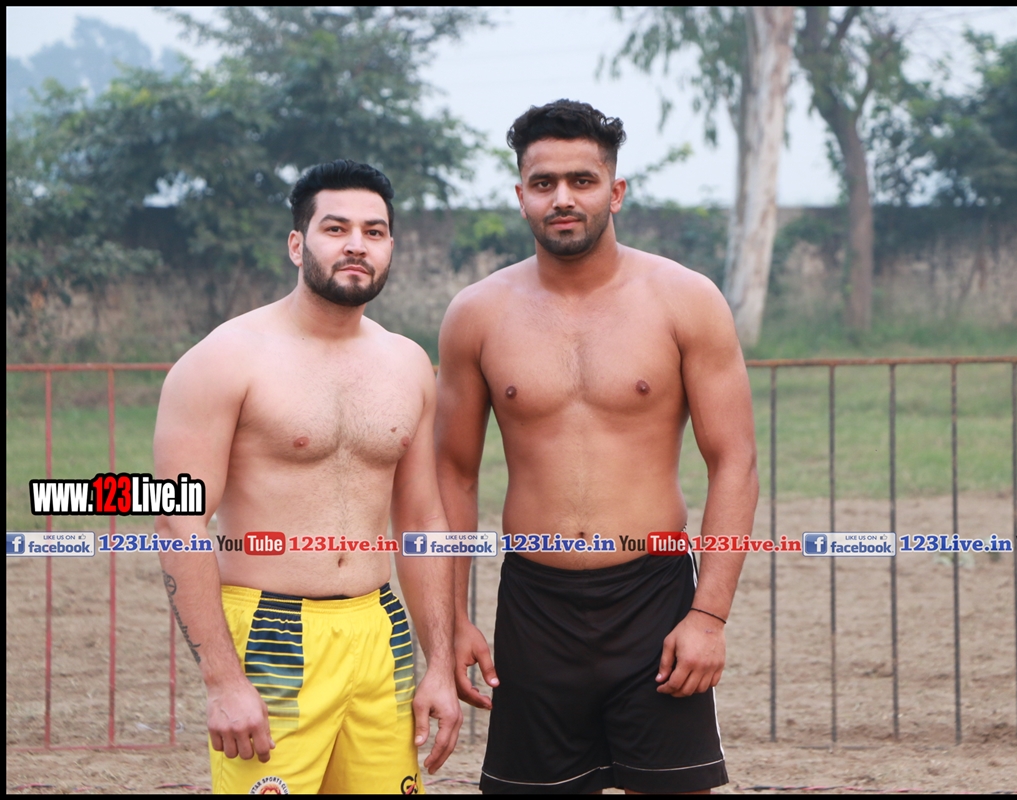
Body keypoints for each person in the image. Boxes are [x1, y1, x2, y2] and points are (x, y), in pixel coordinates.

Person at [435, 100, 758, 794]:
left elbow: (734, 461)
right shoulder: (477, 313)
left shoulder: (686, 299)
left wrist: (708, 617)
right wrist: (452, 620)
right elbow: (453, 474)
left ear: (615, 192)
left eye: (582, 180)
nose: (562, 198)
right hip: (534, 604)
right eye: (543, 182)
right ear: (520, 195)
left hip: (654, 596)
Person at [154, 160, 461, 794]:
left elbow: (422, 519)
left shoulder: (408, 363)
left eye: (374, 232)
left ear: (391, 247)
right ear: (297, 244)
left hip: (380, 628)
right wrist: (222, 680)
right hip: (270, 629)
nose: (357, 245)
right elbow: (178, 520)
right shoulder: (224, 359)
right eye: (336, 228)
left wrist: (439, 662)